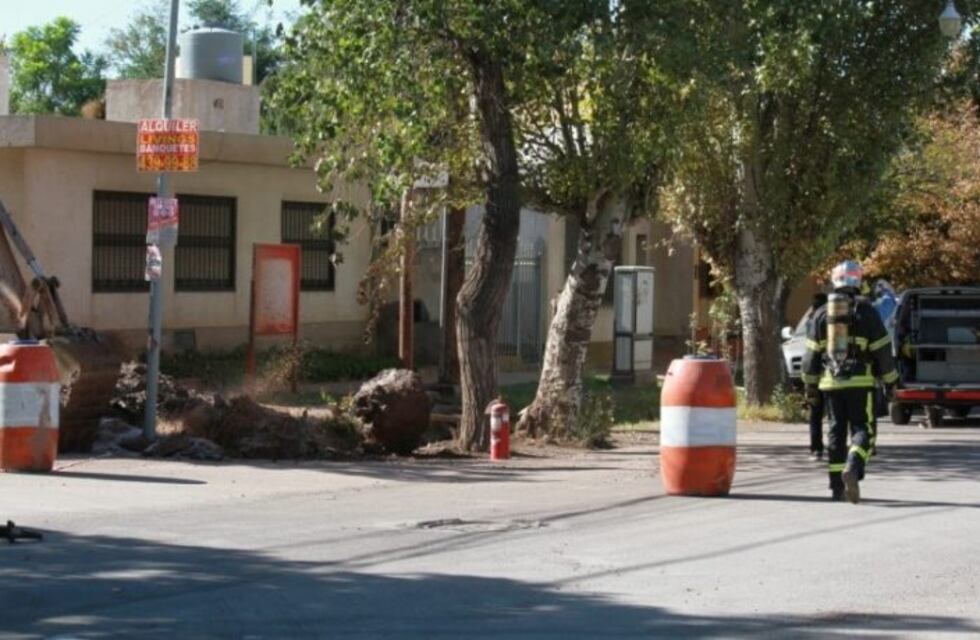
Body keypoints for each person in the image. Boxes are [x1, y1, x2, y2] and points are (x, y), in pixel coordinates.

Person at [801, 260, 898, 503]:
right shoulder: (866, 311)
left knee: (835, 433)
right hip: (861, 383)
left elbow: (811, 354)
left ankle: (836, 488)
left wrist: (810, 385)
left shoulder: (822, 313)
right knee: (863, 430)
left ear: (835, 281)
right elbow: (883, 351)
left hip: (831, 384)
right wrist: (891, 381)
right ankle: (853, 467)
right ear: (858, 281)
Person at [805, 292, 828, 460]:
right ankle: (837, 446)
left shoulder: (811, 321)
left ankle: (816, 448)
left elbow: (810, 353)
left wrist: (809, 381)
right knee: (836, 415)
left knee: (815, 414)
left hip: (815, 375)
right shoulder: (831, 319)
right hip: (831, 376)